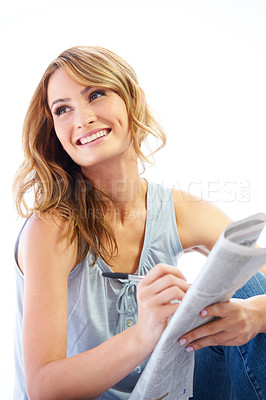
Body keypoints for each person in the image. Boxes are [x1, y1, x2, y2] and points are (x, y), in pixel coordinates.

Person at [13, 46, 266, 400]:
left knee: (249, 287)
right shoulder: (53, 228)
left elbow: (256, 288)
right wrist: (143, 335)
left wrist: (255, 314)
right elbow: (44, 388)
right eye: (63, 109)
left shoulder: (179, 210)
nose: (81, 118)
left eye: (96, 94)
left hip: (166, 392)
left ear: (133, 98)